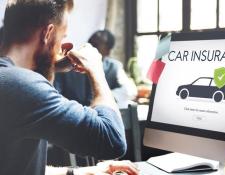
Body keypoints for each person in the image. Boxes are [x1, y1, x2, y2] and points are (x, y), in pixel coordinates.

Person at [0, 1, 139, 175]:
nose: (62, 46)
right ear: (48, 33)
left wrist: (87, 171)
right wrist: (96, 69)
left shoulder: (10, 80)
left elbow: (17, 168)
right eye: (62, 37)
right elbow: (113, 140)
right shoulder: (21, 85)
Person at [55, 30, 137, 109]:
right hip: (74, 116)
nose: (90, 47)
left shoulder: (114, 67)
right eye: (89, 42)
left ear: (107, 51)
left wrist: (104, 98)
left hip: (101, 113)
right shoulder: (68, 65)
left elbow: (130, 90)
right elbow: (55, 93)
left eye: (95, 45)